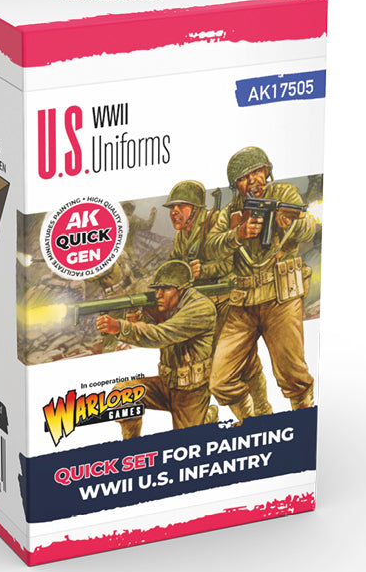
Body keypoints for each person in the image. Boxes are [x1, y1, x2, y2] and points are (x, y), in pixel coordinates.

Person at [206, 147, 318, 422]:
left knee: (293, 374)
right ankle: (253, 420)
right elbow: (211, 247)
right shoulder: (231, 212)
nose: (255, 180)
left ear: (267, 171)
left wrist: (289, 224)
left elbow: (308, 229)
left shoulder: (284, 194)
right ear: (236, 184)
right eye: (245, 177)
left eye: (258, 172)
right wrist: (238, 234)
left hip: (281, 298)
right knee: (220, 381)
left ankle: (304, 423)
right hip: (243, 303)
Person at [163, 180, 273, 416]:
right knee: (218, 365)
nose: (174, 212)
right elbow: (174, 264)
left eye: (181, 206)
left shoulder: (215, 222)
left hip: (227, 302)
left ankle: (261, 411)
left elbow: (230, 263)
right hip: (202, 307)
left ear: (195, 209)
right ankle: (249, 416)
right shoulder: (181, 237)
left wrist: (202, 270)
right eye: (172, 207)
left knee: (241, 361)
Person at [95, 260, 216, 437]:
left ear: (182, 289)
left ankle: (206, 418)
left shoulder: (201, 308)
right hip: (167, 384)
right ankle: (132, 446)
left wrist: (122, 327)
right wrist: (139, 321)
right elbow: (157, 326)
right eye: (157, 288)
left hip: (191, 392)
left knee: (184, 447)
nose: (158, 294)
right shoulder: (171, 305)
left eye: (165, 289)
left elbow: (162, 334)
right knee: (123, 393)